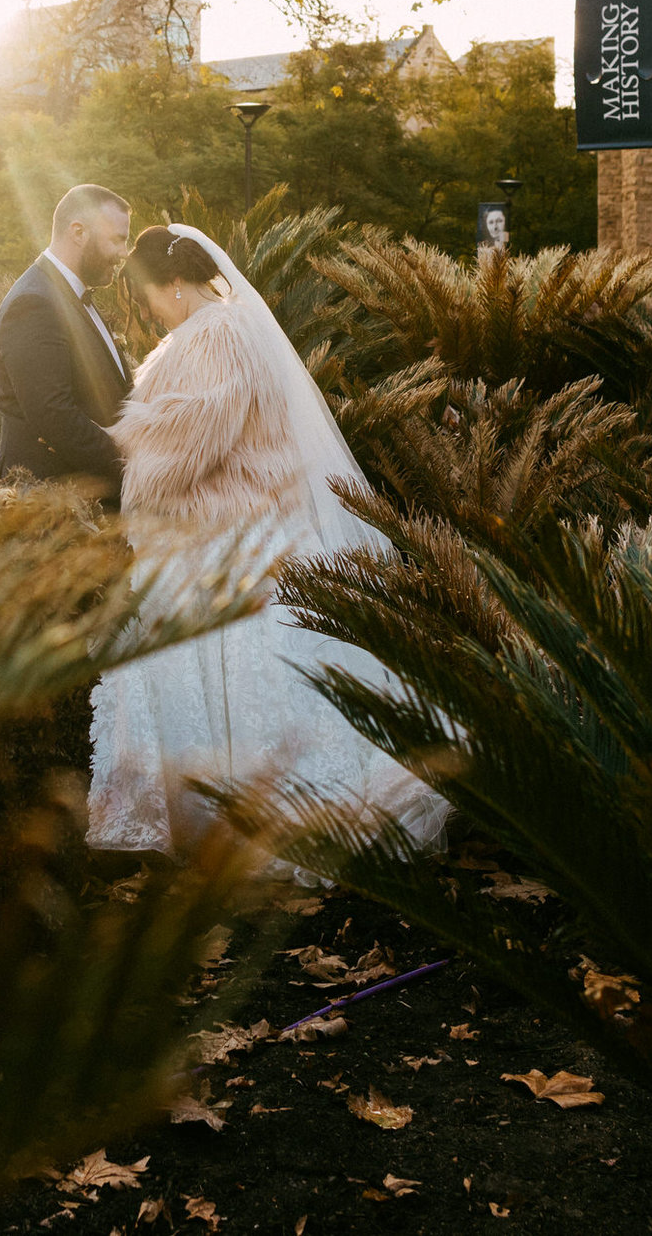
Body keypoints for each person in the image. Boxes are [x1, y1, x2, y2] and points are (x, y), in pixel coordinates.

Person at [85, 222, 448, 863]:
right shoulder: (216, 332)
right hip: (232, 525)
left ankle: (265, 821)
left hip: (228, 530)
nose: (148, 311)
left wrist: (130, 452)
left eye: (148, 296)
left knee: (246, 667)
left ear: (173, 284)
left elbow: (198, 432)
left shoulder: (216, 334)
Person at [0, 185, 134, 498]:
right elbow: (54, 415)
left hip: (86, 500)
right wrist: (134, 467)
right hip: (49, 504)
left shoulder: (73, 296)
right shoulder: (34, 303)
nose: (124, 253)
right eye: (118, 239)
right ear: (79, 232)